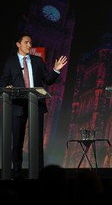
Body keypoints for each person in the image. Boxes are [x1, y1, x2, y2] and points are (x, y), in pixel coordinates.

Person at [0, 32, 68, 179]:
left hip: (35, 104)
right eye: (26, 42)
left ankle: (38, 172)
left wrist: (56, 69)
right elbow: (4, 79)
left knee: (37, 141)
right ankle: (16, 172)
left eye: (31, 43)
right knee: (17, 140)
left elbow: (48, 80)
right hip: (18, 105)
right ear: (18, 44)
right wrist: (7, 86)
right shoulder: (10, 62)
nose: (30, 45)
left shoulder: (37, 61)